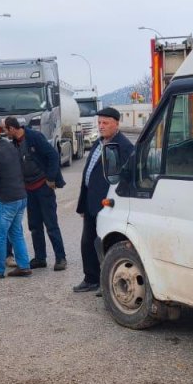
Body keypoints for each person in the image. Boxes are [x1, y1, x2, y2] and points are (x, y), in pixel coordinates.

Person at [75, 107, 135, 293]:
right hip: (91, 202)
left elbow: (126, 177)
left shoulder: (123, 147)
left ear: (116, 124)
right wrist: (83, 204)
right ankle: (91, 278)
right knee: (88, 242)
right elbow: (89, 174)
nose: (101, 126)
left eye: (105, 123)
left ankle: (107, 282)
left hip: (109, 203)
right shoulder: (98, 143)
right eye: (99, 123)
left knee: (105, 244)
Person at [3, 116, 67, 271]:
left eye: (5, 129)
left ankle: (61, 258)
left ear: (12, 128)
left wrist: (51, 178)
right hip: (29, 190)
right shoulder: (14, 144)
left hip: (43, 187)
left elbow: (52, 155)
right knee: (34, 226)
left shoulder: (34, 137)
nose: (4, 133)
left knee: (51, 224)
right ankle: (40, 258)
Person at [0, 122, 32, 279]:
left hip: (5, 198)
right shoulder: (9, 145)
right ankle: (24, 265)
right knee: (16, 232)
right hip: (20, 195)